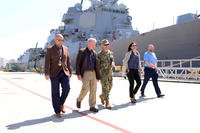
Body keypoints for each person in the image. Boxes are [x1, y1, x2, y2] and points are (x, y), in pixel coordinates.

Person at [44, 34, 72, 118]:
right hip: (54, 73)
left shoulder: (66, 48)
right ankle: (57, 111)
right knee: (55, 92)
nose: (60, 41)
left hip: (64, 72)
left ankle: (61, 103)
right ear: (55, 40)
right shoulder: (50, 49)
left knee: (67, 88)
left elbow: (68, 61)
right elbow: (47, 63)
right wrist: (46, 73)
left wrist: (70, 71)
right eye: (58, 40)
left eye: (62, 40)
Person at [75, 38, 100, 112]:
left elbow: (96, 66)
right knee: (85, 88)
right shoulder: (82, 51)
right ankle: (79, 99)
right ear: (89, 43)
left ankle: (92, 106)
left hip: (93, 73)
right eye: (93, 44)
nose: (94, 45)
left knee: (93, 89)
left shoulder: (94, 53)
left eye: (95, 44)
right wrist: (78, 74)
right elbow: (78, 64)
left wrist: (98, 76)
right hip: (85, 72)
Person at [98, 39, 115, 109]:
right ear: (102, 46)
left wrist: (113, 63)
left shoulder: (111, 53)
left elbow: (112, 60)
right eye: (105, 45)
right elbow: (97, 66)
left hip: (110, 72)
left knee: (110, 86)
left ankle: (102, 96)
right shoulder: (99, 55)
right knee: (105, 87)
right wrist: (98, 76)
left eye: (108, 44)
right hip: (103, 73)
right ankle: (107, 102)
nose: (107, 46)